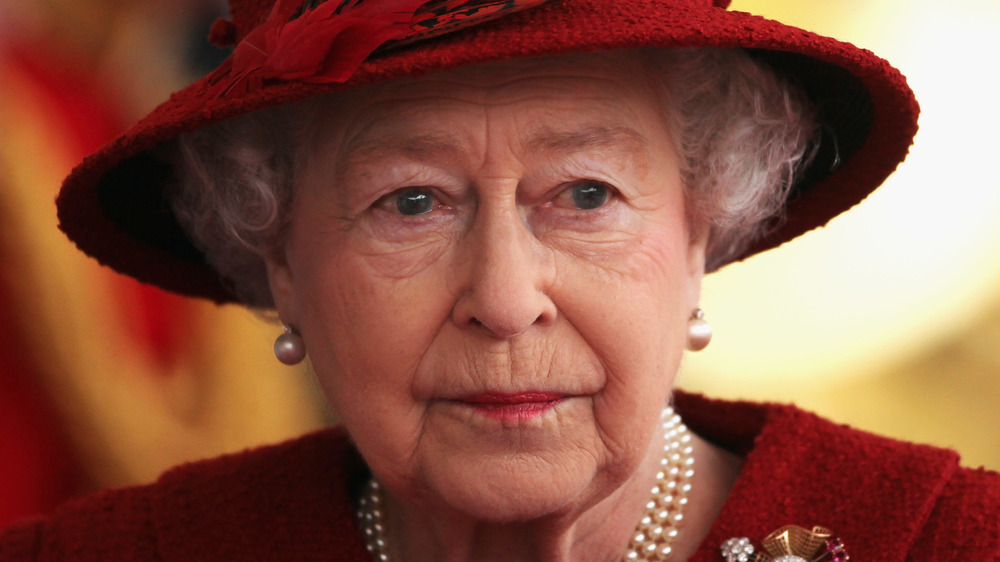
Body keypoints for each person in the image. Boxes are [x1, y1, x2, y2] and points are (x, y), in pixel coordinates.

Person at [2, 0, 998, 560]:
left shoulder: (949, 543)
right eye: (412, 202)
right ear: (281, 260)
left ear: (703, 231)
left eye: (586, 193)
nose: (506, 297)